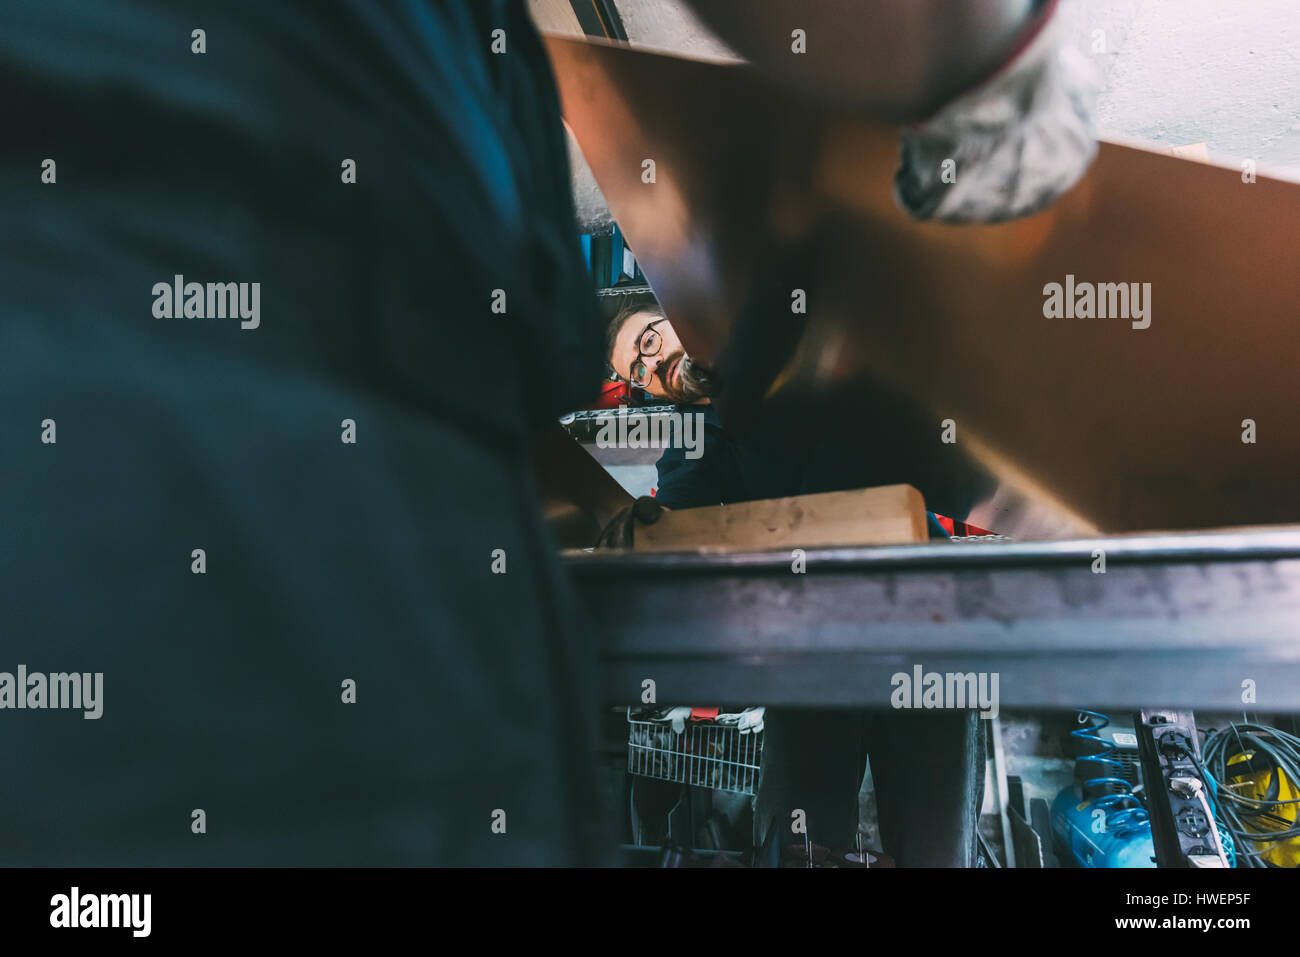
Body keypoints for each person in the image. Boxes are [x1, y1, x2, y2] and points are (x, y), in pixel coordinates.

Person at [603, 301, 993, 865]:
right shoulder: (699, 440)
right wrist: (642, 526)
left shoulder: (806, 340)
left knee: (936, 842)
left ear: (680, 311)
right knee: (797, 843)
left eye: (649, 341)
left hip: (920, 619)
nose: (654, 365)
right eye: (638, 373)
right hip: (813, 646)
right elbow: (676, 507)